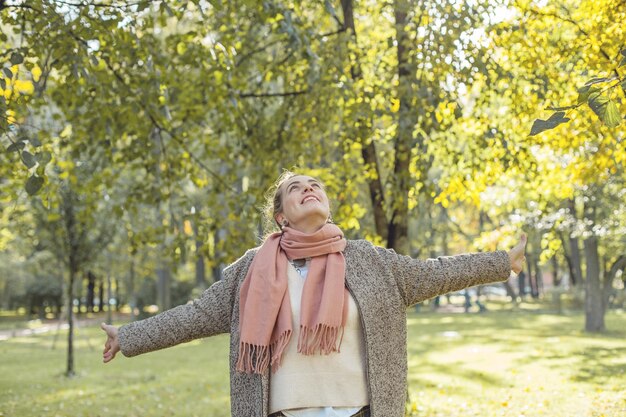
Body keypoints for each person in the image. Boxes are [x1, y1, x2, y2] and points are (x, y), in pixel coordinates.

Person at [101, 171, 527, 417]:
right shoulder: (251, 268)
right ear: (281, 213)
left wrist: (501, 262)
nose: (309, 189)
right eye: (295, 188)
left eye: (316, 185)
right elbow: (196, 315)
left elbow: (435, 272)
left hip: (361, 410)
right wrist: (129, 337)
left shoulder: (369, 260)